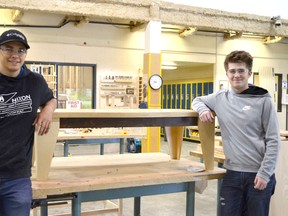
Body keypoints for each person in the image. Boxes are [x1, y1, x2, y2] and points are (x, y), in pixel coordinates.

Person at [192, 50, 280, 216]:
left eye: (241, 70)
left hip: (258, 175)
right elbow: (197, 100)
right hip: (232, 175)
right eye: (232, 71)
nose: (236, 75)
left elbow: (273, 140)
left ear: (249, 73)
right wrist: (203, 109)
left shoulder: (263, 99)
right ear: (227, 73)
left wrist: (265, 173)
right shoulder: (220, 98)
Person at [0, 29, 57, 216]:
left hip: (17, 177)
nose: (15, 55)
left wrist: (48, 109)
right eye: (8, 49)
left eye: (20, 50)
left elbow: (51, 98)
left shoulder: (35, 82)